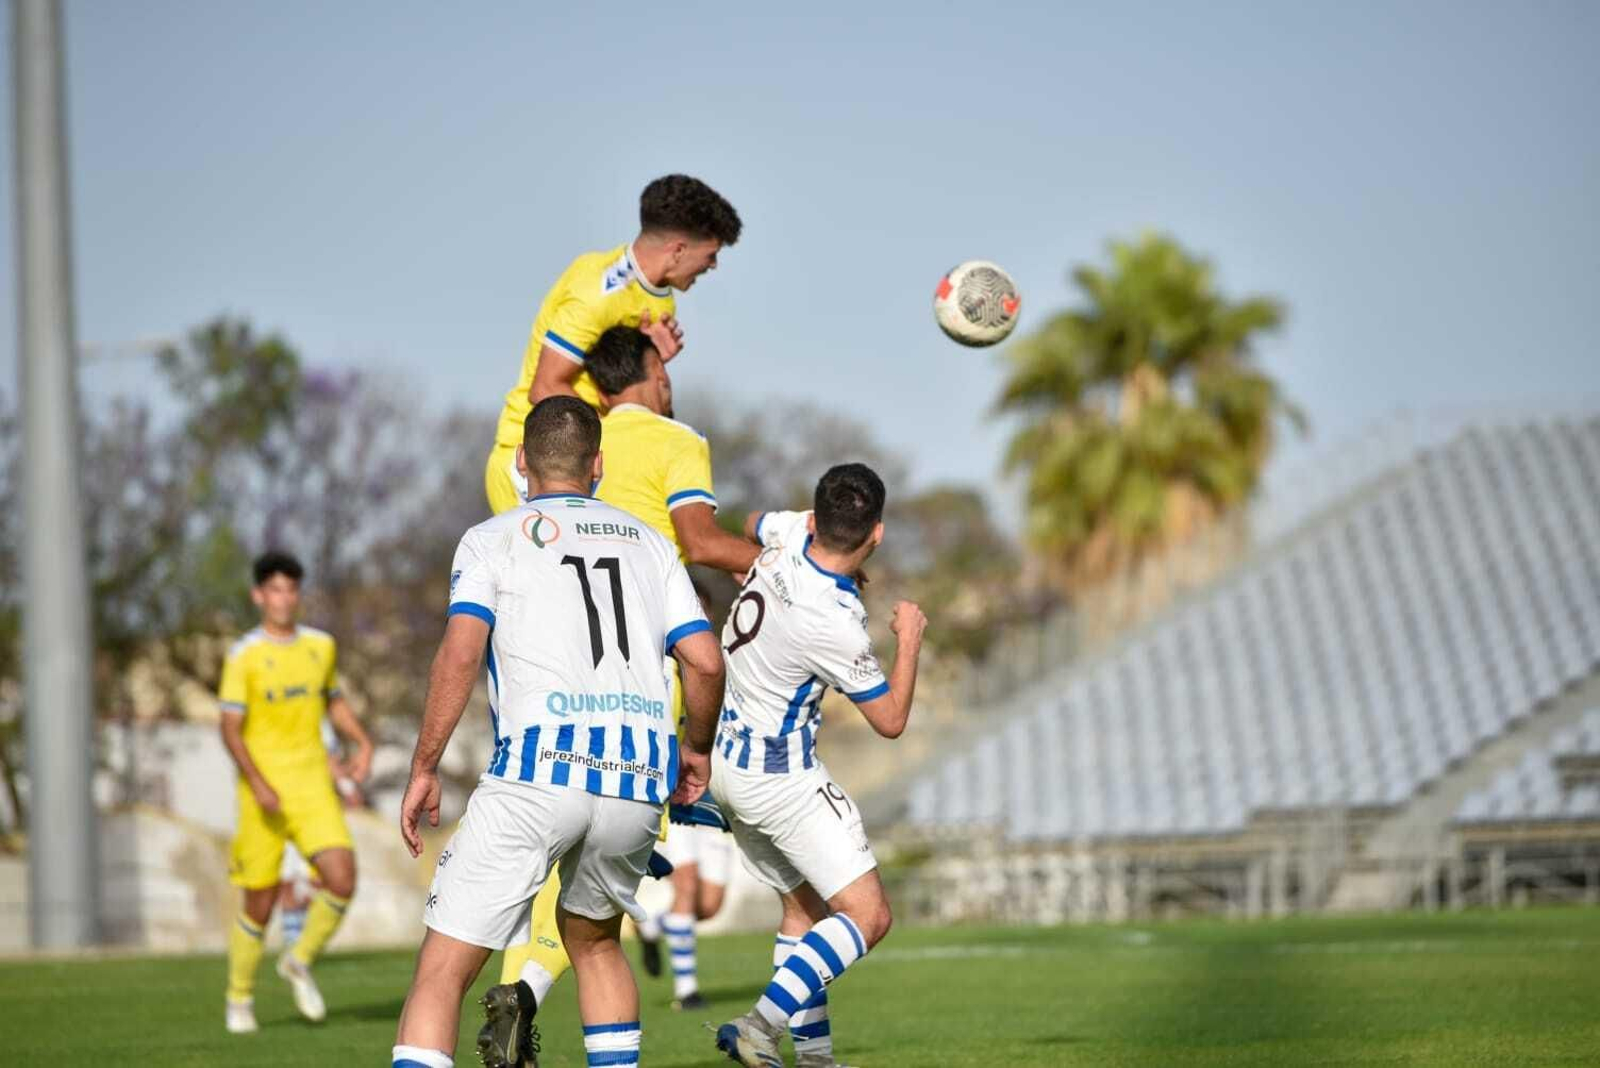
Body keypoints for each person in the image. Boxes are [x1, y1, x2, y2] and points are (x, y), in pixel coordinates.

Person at [391, 397, 726, 1068]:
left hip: (537, 772)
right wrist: (694, 748)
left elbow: (459, 654)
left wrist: (424, 765)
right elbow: (705, 660)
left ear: (521, 463)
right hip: (634, 778)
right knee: (597, 945)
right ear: (597, 465)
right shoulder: (651, 545)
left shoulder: (492, 538)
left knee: (443, 973)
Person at [489, 325, 758, 1034]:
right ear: (650, 376)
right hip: (642, 668)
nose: (671, 378)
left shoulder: (584, 443)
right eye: (664, 366)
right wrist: (788, 569)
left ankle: (519, 986)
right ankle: (531, 990)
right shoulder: (677, 440)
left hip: (558, 665)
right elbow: (698, 541)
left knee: (568, 851)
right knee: (604, 882)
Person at [710, 465, 927, 1068]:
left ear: (819, 513)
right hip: (781, 779)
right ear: (876, 534)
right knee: (868, 915)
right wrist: (908, 639)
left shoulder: (789, 533)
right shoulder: (834, 620)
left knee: (803, 913)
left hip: (730, 767)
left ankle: (816, 1060)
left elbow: (751, 523)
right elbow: (889, 720)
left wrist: (761, 565)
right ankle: (759, 1026)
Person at [483, 174, 742, 516]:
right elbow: (545, 386)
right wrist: (624, 446)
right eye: (711, 254)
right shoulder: (597, 292)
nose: (713, 265)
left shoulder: (661, 302)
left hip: (587, 464)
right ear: (678, 250)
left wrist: (650, 368)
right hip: (536, 465)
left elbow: (626, 400)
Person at [219, 551, 375, 1034]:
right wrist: (259, 782)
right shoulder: (243, 656)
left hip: (311, 785)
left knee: (342, 877)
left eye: (291, 590)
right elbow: (229, 728)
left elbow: (334, 702)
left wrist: (363, 742)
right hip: (261, 793)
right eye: (275, 590)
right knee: (259, 904)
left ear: (298, 596)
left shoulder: (320, 647)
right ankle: (239, 999)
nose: (283, 599)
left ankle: (298, 959)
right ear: (258, 596)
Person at [634, 579, 739, 1011]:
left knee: (709, 905)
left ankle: (652, 927)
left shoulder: (720, 662)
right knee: (687, 887)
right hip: (675, 795)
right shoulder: (656, 663)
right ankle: (687, 992)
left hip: (714, 796)